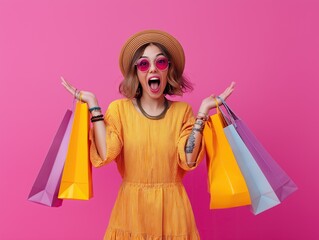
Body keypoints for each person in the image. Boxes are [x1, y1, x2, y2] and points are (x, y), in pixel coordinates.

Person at [61, 29, 235, 239]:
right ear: (136, 73)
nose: (152, 68)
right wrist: (94, 107)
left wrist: (202, 114)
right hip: (131, 212)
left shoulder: (183, 112)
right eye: (144, 64)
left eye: (160, 62)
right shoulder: (119, 110)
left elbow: (188, 160)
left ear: (168, 70)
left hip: (173, 212)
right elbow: (105, 155)